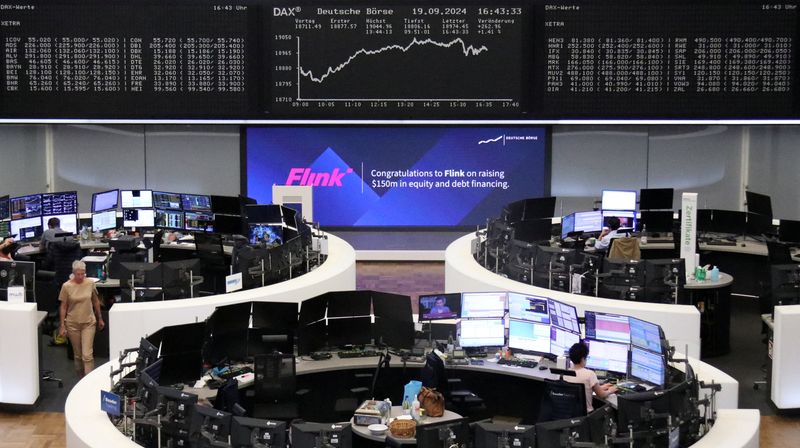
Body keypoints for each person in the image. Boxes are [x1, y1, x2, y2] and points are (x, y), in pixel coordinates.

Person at [58, 260, 105, 378]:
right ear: (73, 273)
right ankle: (80, 379)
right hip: (72, 324)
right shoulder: (66, 286)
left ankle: (88, 381)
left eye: (83, 273)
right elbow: (63, 307)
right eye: (78, 274)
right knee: (78, 356)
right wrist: (62, 325)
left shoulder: (90, 283)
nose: (80, 276)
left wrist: (100, 318)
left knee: (87, 355)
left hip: (89, 323)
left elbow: (95, 301)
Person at [564, 341, 617, 412]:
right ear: (583, 359)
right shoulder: (589, 374)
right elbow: (601, 395)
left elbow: (583, 390)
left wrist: (600, 387)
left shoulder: (566, 374)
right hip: (587, 417)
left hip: (571, 415)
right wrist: (610, 390)